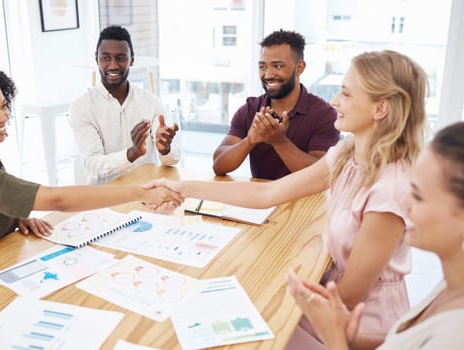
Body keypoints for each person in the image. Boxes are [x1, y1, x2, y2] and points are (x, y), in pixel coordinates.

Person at [147, 50, 427, 340]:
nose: (335, 101)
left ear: (380, 109)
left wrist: (277, 303)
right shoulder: (347, 154)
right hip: (329, 302)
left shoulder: (390, 188)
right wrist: (186, 188)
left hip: (361, 326)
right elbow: (269, 192)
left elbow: (351, 295)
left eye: (346, 94)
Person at [0, 61, 181, 266]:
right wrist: (140, 193)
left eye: (4, 106)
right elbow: (57, 199)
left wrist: (11, 214)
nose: (3, 116)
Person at [286, 121, 464, 349]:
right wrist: (351, 337)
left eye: (418, 197)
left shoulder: (456, 332)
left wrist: (334, 336)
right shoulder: (451, 285)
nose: (404, 203)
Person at [212, 29, 340, 180]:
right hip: (261, 200)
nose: (268, 74)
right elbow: (219, 166)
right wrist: (249, 141)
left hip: (305, 202)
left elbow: (320, 175)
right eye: (262, 67)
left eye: (277, 66)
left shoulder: (324, 115)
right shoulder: (250, 110)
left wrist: (279, 142)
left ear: (299, 68)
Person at [69, 25, 180, 185]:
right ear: (97, 59)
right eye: (106, 58)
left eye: (120, 58)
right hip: (104, 198)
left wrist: (165, 149)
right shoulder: (81, 107)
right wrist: (132, 153)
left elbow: (172, 160)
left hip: (146, 193)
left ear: (132, 59)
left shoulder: (152, 102)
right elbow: (93, 166)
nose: (113, 65)